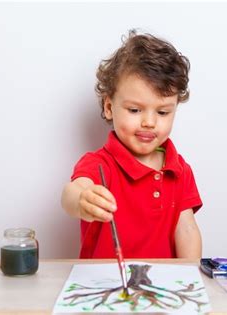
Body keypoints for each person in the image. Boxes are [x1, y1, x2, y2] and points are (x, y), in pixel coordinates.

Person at [61, 30, 202, 259]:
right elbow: (71, 194)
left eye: (163, 112)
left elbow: (186, 229)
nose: (149, 122)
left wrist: (191, 276)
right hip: (104, 286)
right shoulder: (99, 164)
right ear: (109, 107)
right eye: (135, 110)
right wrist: (81, 199)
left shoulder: (180, 170)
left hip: (162, 288)